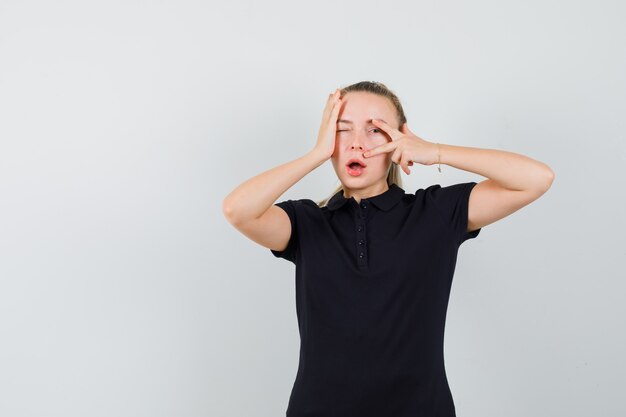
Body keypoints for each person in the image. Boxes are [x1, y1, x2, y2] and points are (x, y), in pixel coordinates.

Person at [222, 81, 555, 416]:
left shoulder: (435, 213)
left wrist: (434, 151)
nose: (357, 143)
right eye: (342, 130)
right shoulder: (307, 223)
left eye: (375, 130)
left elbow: (536, 179)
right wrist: (315, 155)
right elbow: (238, 209)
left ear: (399, 140)